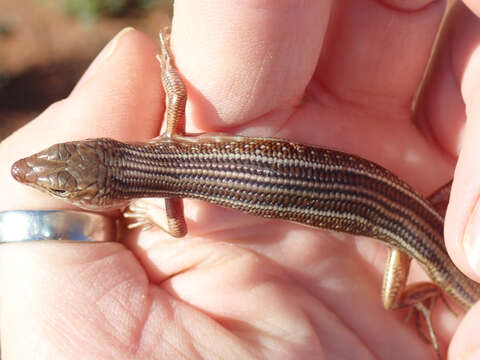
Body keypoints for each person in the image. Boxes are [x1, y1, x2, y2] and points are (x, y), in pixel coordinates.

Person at [1, 1, 480, 358]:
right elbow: (175, 93)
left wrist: (146, 210)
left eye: (61, 168)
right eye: (60, 178)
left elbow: (178, 228)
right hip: (402, 203)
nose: (30, 170)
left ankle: (418, 299)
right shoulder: (172, 136)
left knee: (396, 291)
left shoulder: (171, 191)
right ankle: (436, 290)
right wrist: (169, 64)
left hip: (395, 227)